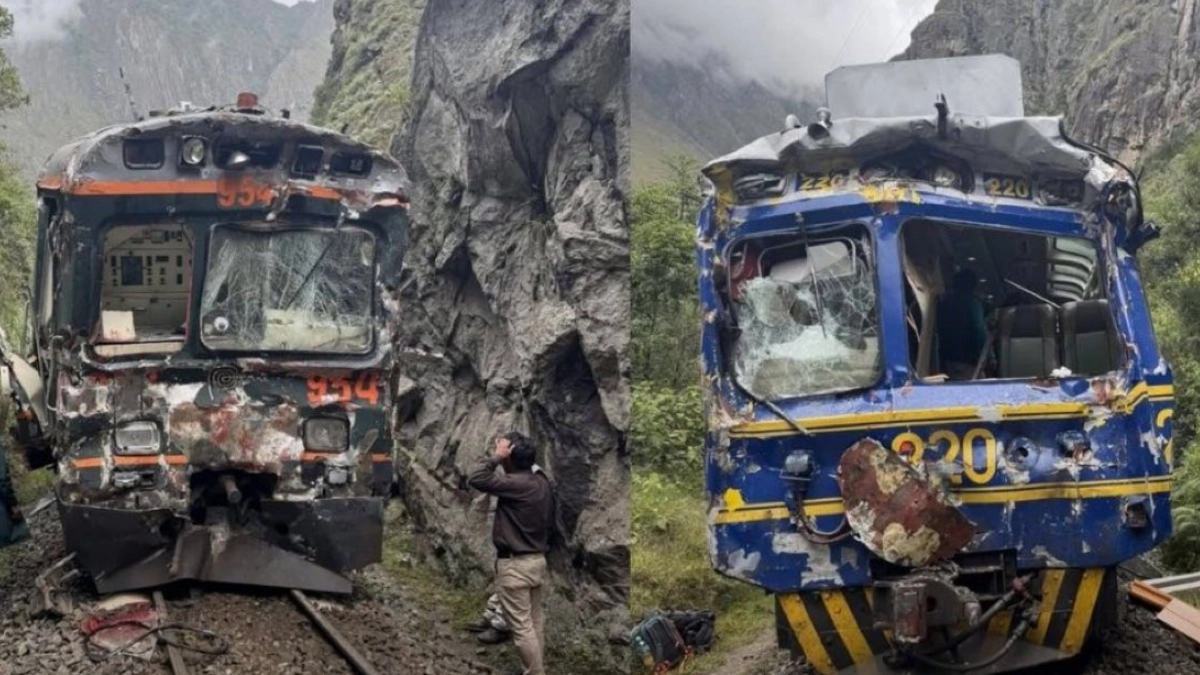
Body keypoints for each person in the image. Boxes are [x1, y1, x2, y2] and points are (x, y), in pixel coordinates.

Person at [467, 432, 554, 675]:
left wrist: (498, 456)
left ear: (510, 458)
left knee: (522, 628)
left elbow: (477, 477)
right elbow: (529, 466)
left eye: (506, 451)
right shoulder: (541, 481)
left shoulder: (515, 485)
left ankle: (535, 673)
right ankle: (535, 669)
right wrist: (512, 454)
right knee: (535, 621)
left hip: (516, 566)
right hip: (537, 561)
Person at [936, 268, 988, 380]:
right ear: (973, 286)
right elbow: (979, 331)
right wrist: (987, 357)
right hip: (969, 360)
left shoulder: (944, 304)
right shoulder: (973, 304)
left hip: (947, 360)